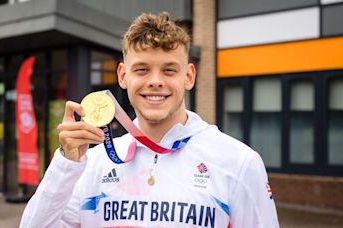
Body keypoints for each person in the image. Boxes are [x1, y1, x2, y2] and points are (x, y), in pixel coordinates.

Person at [20, 12, 279, 227]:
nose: (155, 81)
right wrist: (66, 164)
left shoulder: (238, 163)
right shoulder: (93, 164)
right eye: (142, 69)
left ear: (189, 77)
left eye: (169, 70)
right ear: (123, 76)